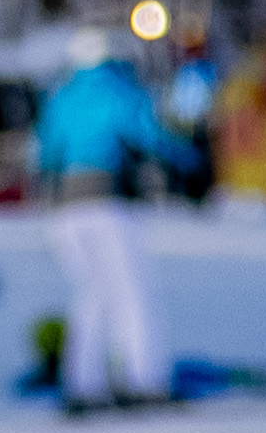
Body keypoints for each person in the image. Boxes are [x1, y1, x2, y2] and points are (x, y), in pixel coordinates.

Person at [30, 39, 180, 404]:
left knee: (92, 292)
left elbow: (46, 155)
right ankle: (144, 379)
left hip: (66, 212)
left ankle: (83, 384)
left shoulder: (61, 96)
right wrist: (190, 160)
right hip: (109, 204)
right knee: (132, 292)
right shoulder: (121, 91)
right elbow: (152, 137)